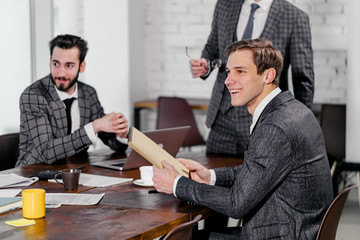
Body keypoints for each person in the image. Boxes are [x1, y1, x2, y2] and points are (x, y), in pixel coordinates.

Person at [154, 39, 332, 239]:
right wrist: (210, 176)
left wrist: (177, 184)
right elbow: (258, 170)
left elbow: (235, 204)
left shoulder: (275, 127)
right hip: (296, 229)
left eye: (240, 71)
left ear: (268, 75)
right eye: (229, 72)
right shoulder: (295, 110)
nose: (228, 80)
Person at [190, 0, 314, 157]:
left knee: (260, 178)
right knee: (212, 176)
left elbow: (302, 79)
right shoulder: (225, 5)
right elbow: (212, 48)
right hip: (222, 118)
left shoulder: (295, 17)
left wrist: (299, 127)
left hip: (268, 119)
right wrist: (205, 64)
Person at [16, 34, 129, 166]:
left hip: (77, 172)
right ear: (50, 62)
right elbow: (47, 152)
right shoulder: (33, 96)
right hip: (34, 175)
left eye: (69, 65)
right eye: (56, 64)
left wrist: (121, 133)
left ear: (81, 67)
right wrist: (94, 126)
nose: (61, 73)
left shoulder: (88, 93)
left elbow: (114, 144)